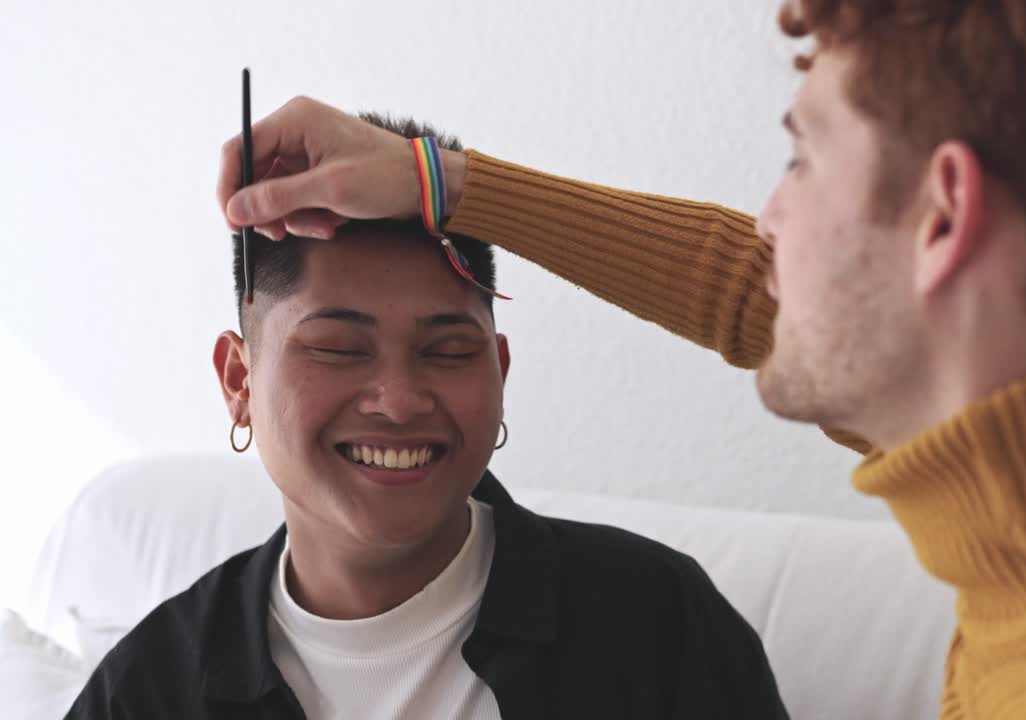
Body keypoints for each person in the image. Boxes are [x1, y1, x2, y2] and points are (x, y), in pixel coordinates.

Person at [216, 1, 1026, 717]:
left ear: (943, 220)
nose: (766, 221)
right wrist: (435, 183)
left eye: (800, 156)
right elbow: (750, 293)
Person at [66, 115, 789, 720]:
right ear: (238, 380)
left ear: (499, 374)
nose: (401, 399)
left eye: (447, 351)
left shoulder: (653, 623)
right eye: (338, 349)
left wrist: (452, 184)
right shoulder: (147, 691)